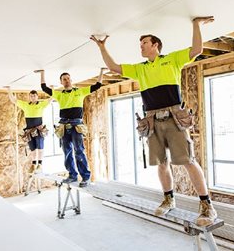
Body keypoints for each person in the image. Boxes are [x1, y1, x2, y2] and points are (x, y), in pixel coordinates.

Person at [90, 16, 217, 226]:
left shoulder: (172, 59)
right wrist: (102, 47)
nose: (141, 47)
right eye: (140, 44)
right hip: (151, 121)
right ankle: (169, 199)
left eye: (144, 43)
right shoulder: (140, 69)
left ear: (155, 45)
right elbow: (113, 67)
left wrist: (196, 24)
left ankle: (206, 206)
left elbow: (196, 50)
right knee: (161, 163)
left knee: (188, 161)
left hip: (174, 117)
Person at [35, 68, 106, 187]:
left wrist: (101, 72)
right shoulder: (58, 94)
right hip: (63, 125)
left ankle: (85, 177)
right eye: (64, 79)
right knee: (67, 152)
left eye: (68, 78)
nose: (66, 80)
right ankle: (72, 175)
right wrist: (42, 73)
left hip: (76, 124)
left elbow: (97, 85)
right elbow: (44, 88)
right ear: (61, 82)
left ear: (71, 80)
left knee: (79, 151)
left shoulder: (80, 91)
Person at [7, 87, 51, 175]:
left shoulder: (41, 104)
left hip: (39, 130)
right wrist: (9, 90)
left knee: (40, 147)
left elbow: (51, 99)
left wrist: (52, 88)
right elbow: (14, 100)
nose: (33, 97)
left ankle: (40, 164)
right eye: (31, 96)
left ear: (37, 97)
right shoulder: (25, 105)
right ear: (29, 97)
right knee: (33, 148)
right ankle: (34, 164)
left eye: (34, 96)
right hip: (29, 131)